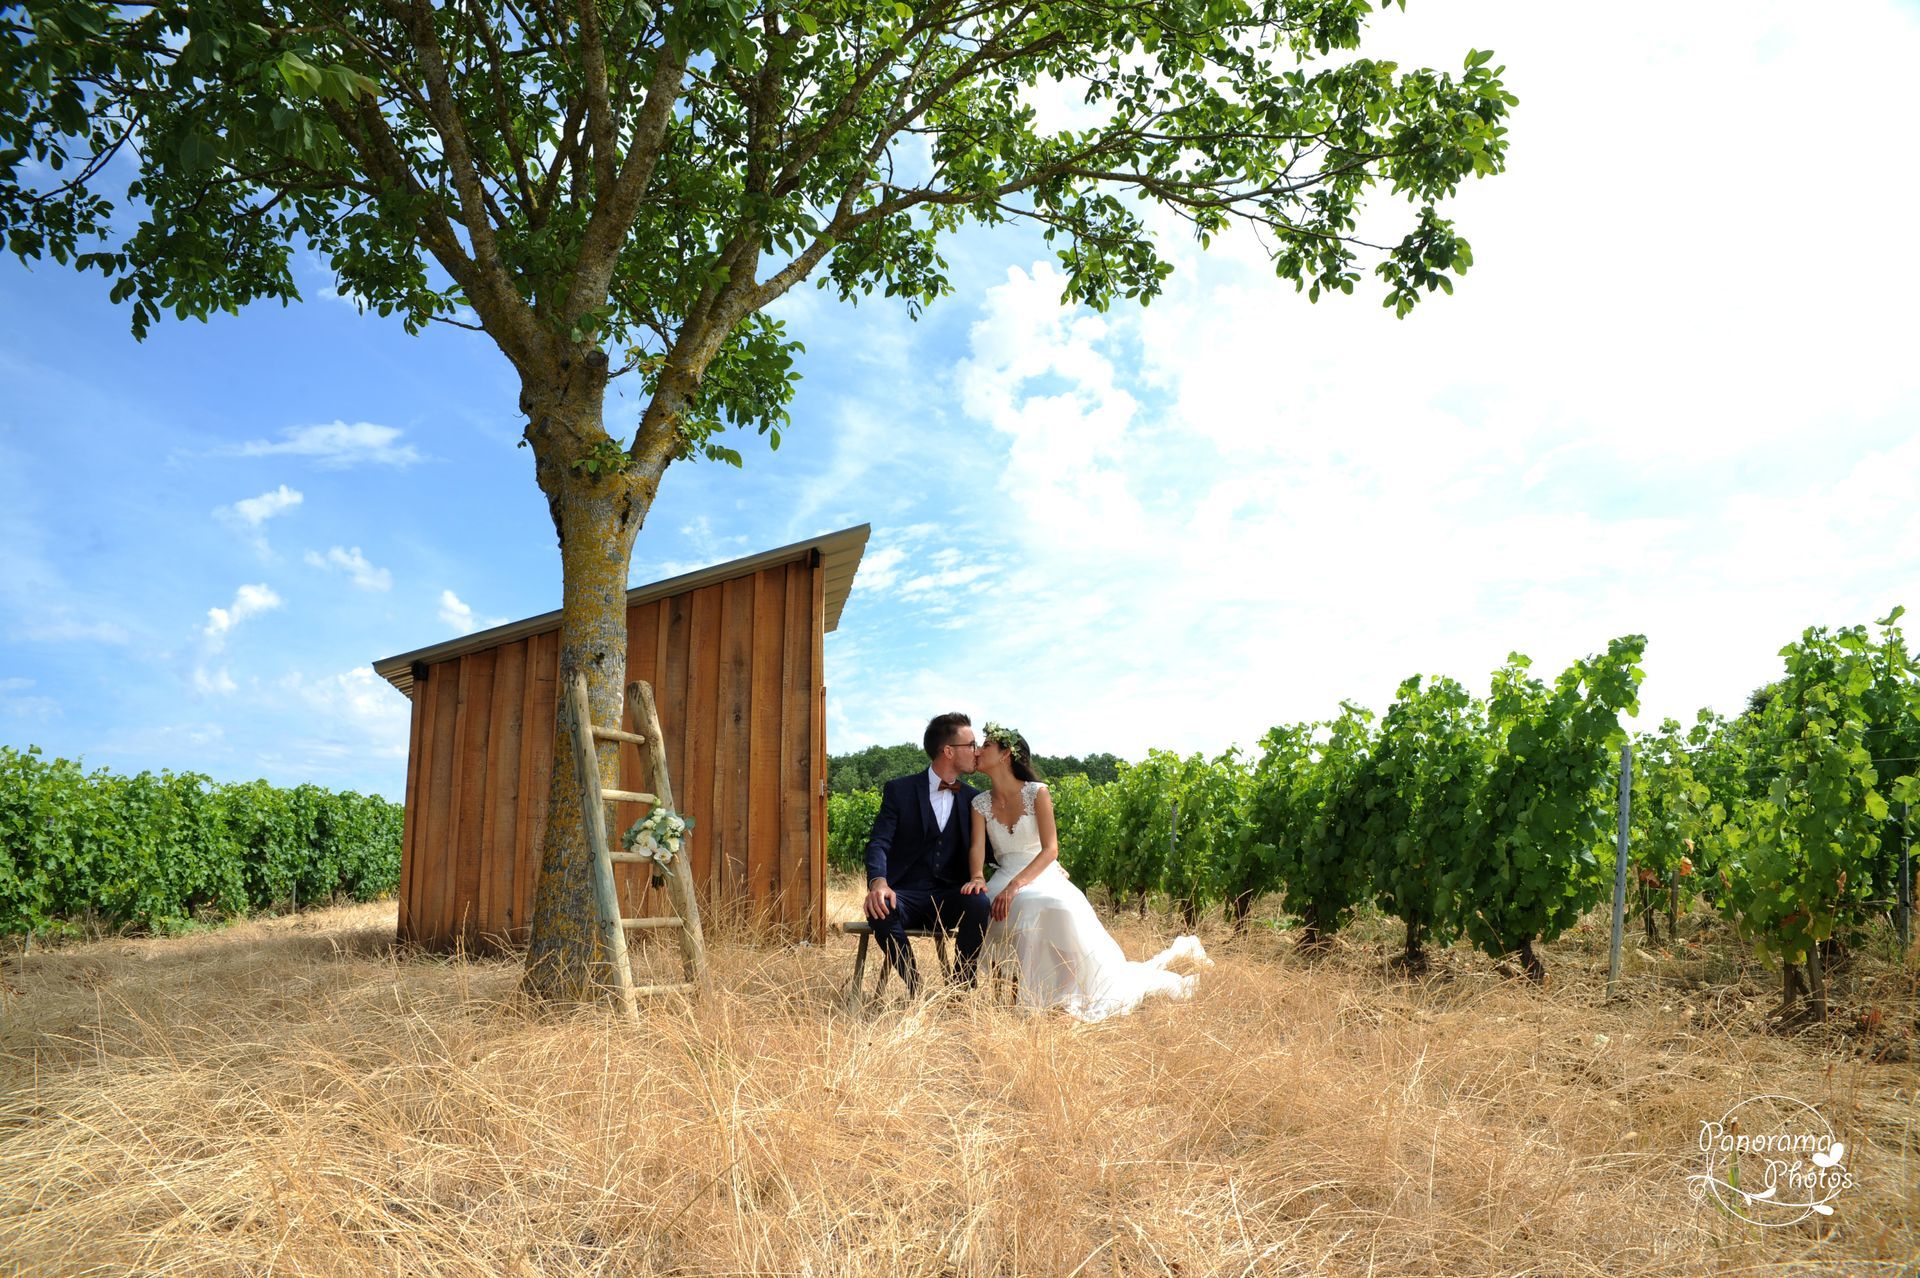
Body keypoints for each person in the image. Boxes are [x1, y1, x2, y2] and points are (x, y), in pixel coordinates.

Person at [962, 722, 1209, 1021]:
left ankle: (1065, 997)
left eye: (985, 745)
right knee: (1018, 906)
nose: (977, 751)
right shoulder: (980, 802)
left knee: (1057, 904)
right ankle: (1027, 1002)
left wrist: (1016, 886)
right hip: (1003, 876)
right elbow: (976, 848)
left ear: (1005, 755)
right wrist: (977, 876)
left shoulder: (1037, 793)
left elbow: (1051, 850)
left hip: (1039, 872)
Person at [861, 712, 994, 995]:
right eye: (971, 745)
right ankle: (915, 987)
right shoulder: (900, 790)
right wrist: (879, 883)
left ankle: (959, 992)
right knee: (879, 908)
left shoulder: (974, 799)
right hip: (906, 895)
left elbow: (994, 849)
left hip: (950, 897)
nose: (977, 751)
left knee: (980, 902)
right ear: (948, 751)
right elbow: (879, 843)